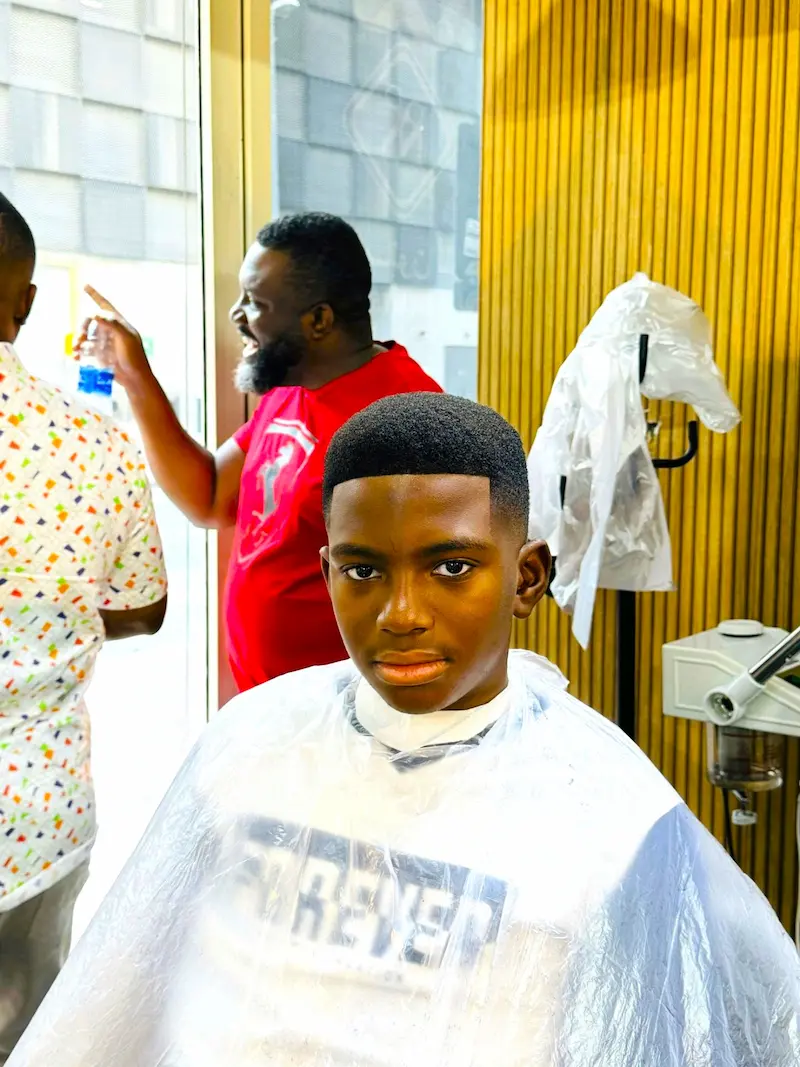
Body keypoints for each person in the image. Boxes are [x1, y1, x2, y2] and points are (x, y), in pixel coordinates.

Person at [9, 393, 799, 1067]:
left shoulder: (609, 815)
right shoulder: (251, 742)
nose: (401, 613)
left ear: (526, 576)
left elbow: (724, 1020)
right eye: (363, 570)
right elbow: (107, 1008)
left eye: (451, 566)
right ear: (327, 573)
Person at [79, 212, 441, 693]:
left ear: (318, 320)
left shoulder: (404, 420)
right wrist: (134, 375)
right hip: (269, 709)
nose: (237, 314)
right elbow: (207, 496)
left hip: (342, 723)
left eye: (255, 301)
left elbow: (426, 600)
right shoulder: (294, 383)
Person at [0, 193, 168, 1064]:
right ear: (24, 305)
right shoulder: (95, 443)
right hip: (37, 814)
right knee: (31, 1037)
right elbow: (144, 606)